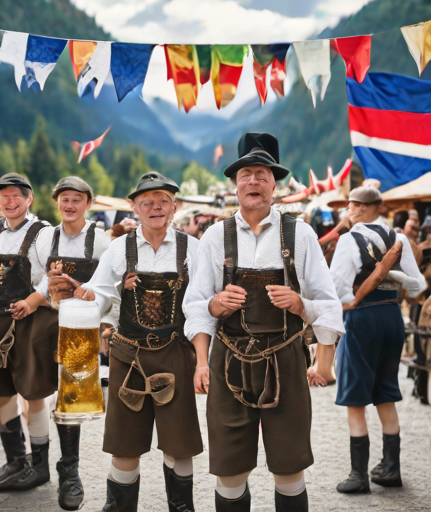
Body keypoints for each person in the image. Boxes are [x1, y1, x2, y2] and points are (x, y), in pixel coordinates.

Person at [183, 133, 344, 512]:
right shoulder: (213, 237)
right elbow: (194, 306)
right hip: (228, 363)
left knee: (289, 469)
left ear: (275, 183)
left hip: (286, 361)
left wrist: (300, 304)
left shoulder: (300, 233)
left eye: (261, 173)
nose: (253, 181)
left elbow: (330, 305)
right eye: (245, 174)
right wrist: (216, 305)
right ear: (235, 184)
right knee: (230, 470)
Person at [77, 172, 203, 512]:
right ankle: (118, 508)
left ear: (174, 207)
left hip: (176, 353)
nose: (156, 207)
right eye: (147, 202)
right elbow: (98, 293)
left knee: (179, 444)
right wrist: (83, 297)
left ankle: (182, 508)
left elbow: (205, 300)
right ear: (135, 207)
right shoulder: (119, 249)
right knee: (125, 443)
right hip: (128, 354)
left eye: (163, 201)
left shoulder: (193, 248)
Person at [330, 186, 427, 493]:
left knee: (355, 396)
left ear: (359, 208)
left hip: (362, 319)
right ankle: (391, 468)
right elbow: (417, 287)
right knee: (385, 391)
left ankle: (359, 475)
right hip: (392, 318)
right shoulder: (398, 240)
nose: (347, 211)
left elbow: (335, 289)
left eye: (349, 206)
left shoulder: (349, 241)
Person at [0, 173, 58, 492]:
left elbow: (53, 276)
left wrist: (33, 300)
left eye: (16, 196)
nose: (9, 202)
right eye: (4, 197)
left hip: (31, 322)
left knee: (33, 394)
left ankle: (39, 466)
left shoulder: (43, 233)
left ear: (29, 199)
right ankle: (16, 459)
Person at [33, 176, 110, 510]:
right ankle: (35, 465)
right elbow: (39, 277)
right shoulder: (45, 236)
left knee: (73, 399)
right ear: (56, 202)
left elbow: (111, 283)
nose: (69, 205)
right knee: (35, 389)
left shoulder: (101, 240)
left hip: (80, 325)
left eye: (77, 199)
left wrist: (105, 318)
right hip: (48, 320)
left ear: (88, 203)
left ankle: (70, 473)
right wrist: (34, 298)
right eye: (64, 198)